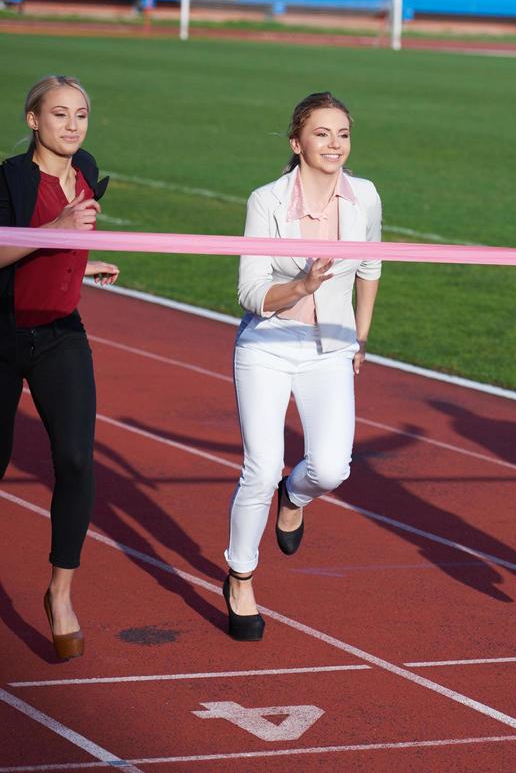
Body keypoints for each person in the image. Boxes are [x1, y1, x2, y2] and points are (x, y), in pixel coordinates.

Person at [222, 92, 381, 641]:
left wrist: (361, 338)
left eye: (343, 133)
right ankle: (240, 577)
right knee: (260, 468)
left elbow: (372, 267)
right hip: (267, 345)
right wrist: (302, 286)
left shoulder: (365, 197)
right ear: (297, 143)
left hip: (331, 346)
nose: (335, 144)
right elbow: (249, 291)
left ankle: (297, 496)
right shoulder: (265, 199)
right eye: (322, 133)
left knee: (332, 469)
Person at [0, 75, 120, 661]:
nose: (71, 127)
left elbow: (59, 245)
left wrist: (82, 262)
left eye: (80, 115)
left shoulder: (89, 168)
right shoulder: (9, 177)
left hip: (60, 334)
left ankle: (60, 593)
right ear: (32, 121)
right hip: (1, 332)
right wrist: (58, 233)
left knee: (75, 458)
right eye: (59, 115)